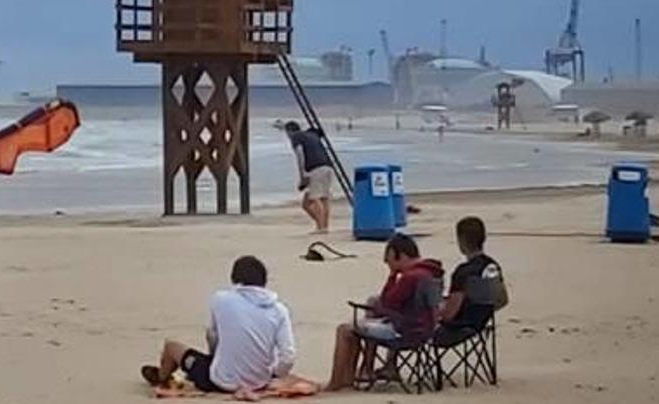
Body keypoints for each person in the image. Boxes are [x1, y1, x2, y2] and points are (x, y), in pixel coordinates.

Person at [140, 256, 296, 395]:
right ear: (264, 281)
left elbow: (213, 336)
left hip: (221, 381)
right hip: (260, 381)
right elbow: (288, 356)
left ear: (234, 279)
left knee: (171, 346)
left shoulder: (221, 300)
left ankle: (162, 377)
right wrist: (275, 375)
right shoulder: (279, 309)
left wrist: (215, 356)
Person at [324, 234, 443, 391]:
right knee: (359, 326)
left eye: (389, 261)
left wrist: (392, 276)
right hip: (425, 329)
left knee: (344, 330)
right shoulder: (432, 273)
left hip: (404, 332)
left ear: (397, 255)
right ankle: (356, 374)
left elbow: (388, 303)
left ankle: (337, 381)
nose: (389, 265)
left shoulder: (410, 277)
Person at [441, 217, 508, 331]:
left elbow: (449, 315)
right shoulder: (492, 266)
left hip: (458, 327)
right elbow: (503, 300)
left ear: (461, 241)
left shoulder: (462, 272)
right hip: (482, 321)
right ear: (484, 238)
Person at [283, 121, 333, 233]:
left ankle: (321, 227)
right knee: (322, 198)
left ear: (289, 132)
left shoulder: (296, 137)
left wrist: (302, 175)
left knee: (315, 198)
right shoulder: (311, 135)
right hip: (328, 166)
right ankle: (324, 225)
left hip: (314, 168)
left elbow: (300, 155)